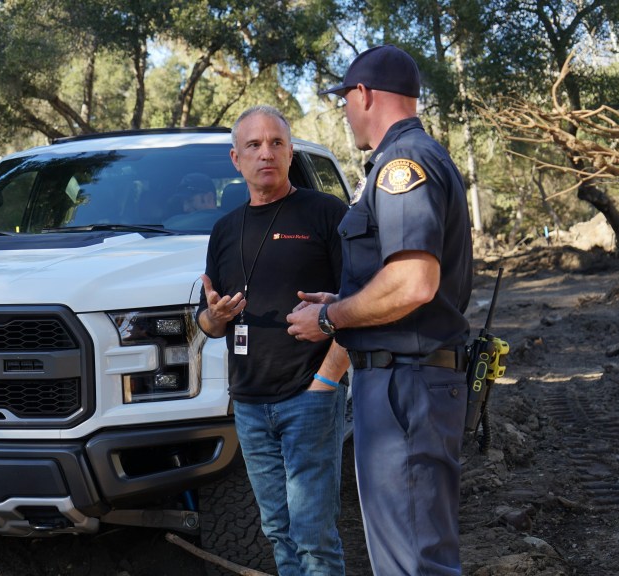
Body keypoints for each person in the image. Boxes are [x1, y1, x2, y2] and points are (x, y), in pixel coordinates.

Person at [286, 44, 473, 576]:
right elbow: (400, 281)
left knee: (411, 561)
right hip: (408, 382)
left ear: (363, 94)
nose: (345, 111)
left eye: (345, 99)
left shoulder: (402, 165)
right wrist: (343, 302)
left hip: (403, 388)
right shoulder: (416, 156)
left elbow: (413, 282)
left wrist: (330, 319)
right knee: (414, 553)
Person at [197, 105, 350, 575]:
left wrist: (327, 381)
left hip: (309, 396)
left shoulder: (327, 213)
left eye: (276, 143)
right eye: (254, 145)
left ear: (290, 153)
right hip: (249, 403)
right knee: (278, 530)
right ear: (236, 159)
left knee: (313, 536)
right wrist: (214, 317)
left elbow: (360, 305)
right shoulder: (225, 230)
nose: (266, 153)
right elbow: (206, 324)